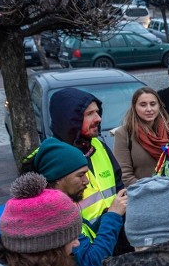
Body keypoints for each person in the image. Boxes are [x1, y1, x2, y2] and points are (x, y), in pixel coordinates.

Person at [0, 138, 127, 266]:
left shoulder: (57, 205)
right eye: (81, 175)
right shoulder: (52, 213)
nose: (87, 181)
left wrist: (107, 215)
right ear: (58, 178)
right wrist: (112, 217)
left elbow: (83, 235)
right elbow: (92, 260)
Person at [48, 87, 124, 225]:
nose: (98, 118)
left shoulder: (98, 145)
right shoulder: (54, 159)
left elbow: (119, 184)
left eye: (97, 112)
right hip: (83, 242)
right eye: (90, 114)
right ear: (70, 121)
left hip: (114, 230)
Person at [114, 87, 169, 186]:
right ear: (134, 107)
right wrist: (152, 190)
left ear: (159, 106)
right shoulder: (124, 133)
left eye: (153, 104)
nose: (149, 109)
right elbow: (125, 176)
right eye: (143, 105)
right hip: (143, 195)